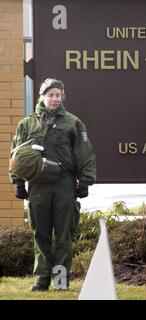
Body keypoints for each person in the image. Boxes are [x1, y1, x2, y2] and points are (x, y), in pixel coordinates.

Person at [10, 78, 96, 292]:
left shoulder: (73, 123)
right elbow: (16, 156)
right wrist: (18, 183)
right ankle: (41, 280)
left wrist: (84, 182)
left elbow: (84, 153)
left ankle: (60, 281)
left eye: (58, 95)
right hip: (38, 186)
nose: (55, 99)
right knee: (40, 234)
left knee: (64, 234)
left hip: (64, 185)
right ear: (42, 96)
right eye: (51, 95)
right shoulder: (27, 124)